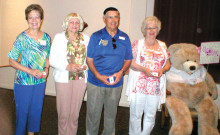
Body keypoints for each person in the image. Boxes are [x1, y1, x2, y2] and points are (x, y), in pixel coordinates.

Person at [86, 7, 133, 135]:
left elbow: (128, 59)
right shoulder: (96, 36)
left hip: (115, 83)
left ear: (119, 19)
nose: (113, 20)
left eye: (116, 17)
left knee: (111, 116)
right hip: (95, 82)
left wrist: (121, 72)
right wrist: (97, 75)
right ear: (104, 19)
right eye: (110, 17)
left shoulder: (124, 37)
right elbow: (89, 60)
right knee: (93, 115)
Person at [8, 4, 50, 135]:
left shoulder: (46, 37)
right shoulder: (22, 38)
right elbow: (11, 61)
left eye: (37, 17)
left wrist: (46, 69)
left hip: (39, 82)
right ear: (27, 19)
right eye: (30, 18)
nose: (34, 21)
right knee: (22, 112)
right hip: (23, 82)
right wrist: (31, 71)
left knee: (36, 110)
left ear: (41, 19)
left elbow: (47, 57)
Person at [126, 16, 171, 135]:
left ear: (158, 30)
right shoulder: (138, 43)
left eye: (154, 28)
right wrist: (144, 69)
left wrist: (163, 70)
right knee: (136, 115)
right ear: (144, 30)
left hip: (155, 87)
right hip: (139, 85)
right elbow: (131, 63)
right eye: (149, 28)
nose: (151, 30)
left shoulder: (163, 45)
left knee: (151, 116)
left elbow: (168, 64)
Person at [49, 13, 89, 135]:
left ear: (80, 25)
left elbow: (90, 59)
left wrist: (85, 66)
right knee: (63, 113)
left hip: (81, 78)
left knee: (74, 113)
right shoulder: (59, 37)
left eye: (77, 22)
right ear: (66, 24)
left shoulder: (86, 38)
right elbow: (52, 60)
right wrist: (67, 66)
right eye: (71, 22)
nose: (74, 25)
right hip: (63, 78)